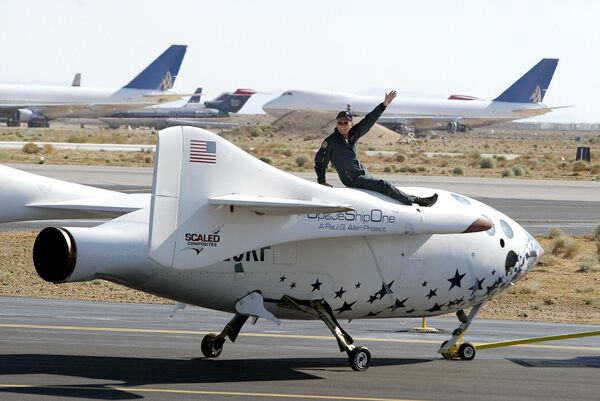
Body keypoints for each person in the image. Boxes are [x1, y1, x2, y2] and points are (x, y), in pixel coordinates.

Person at [314, 90, 437, 207]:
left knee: (384, 188)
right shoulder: (331, 141)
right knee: (384, 185)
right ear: (337, 124)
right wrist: (321, 181)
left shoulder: (353, 134)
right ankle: (417, 201)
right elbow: (320, 162)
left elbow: (369, 120)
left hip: (362, 173)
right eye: (340, 123)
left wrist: (384, 105)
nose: (342, 126)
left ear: (351, 124)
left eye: (346, 123)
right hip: (352, 179)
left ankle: (413, 198)